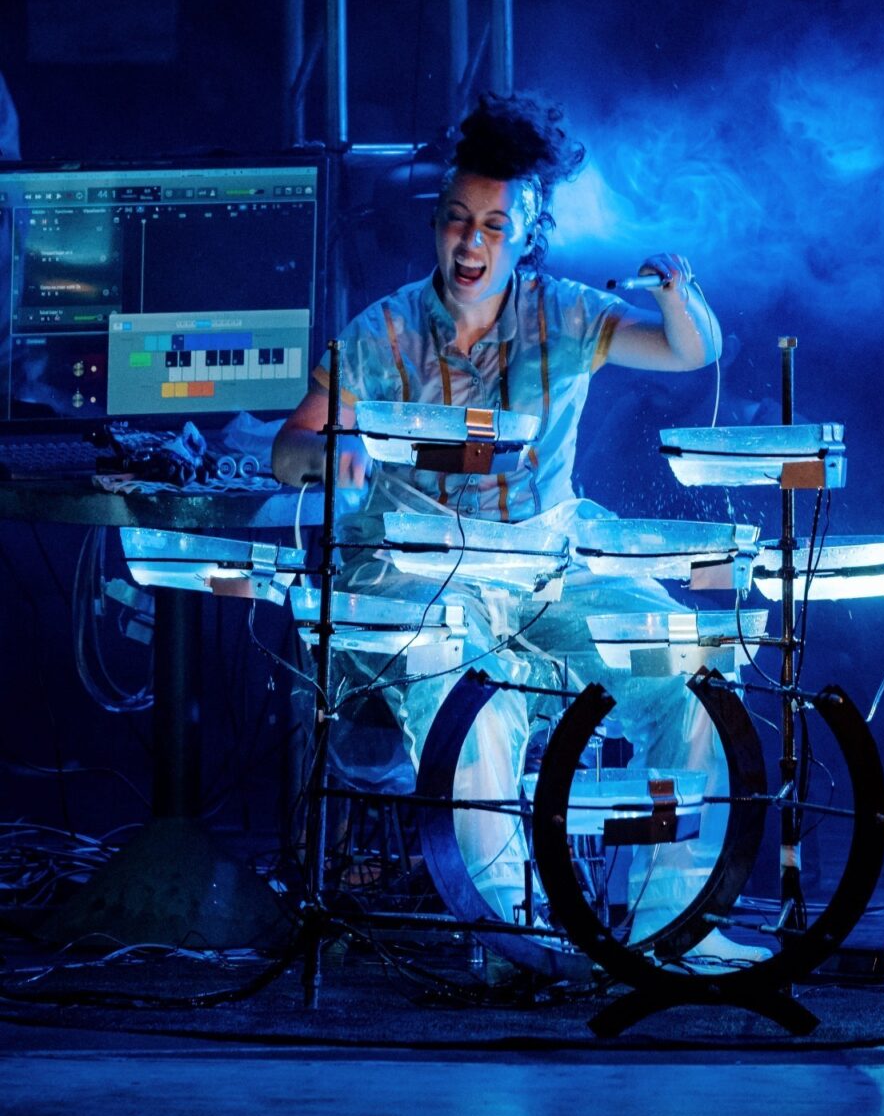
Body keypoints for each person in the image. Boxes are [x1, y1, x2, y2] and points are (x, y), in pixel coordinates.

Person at [274, 94, 759, 959]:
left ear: (527, 235)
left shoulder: (566, 315)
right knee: (477, 700)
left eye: (496, 227)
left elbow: (692, 351)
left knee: (689, 668)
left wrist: (680, 296)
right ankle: (511, 937)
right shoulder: (383, 331)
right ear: (438, 224)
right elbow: (290, 448)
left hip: (547, 566)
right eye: (458, 220)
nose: (472, 243)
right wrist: (332, 453)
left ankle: (676, 928)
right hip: (421, 570)